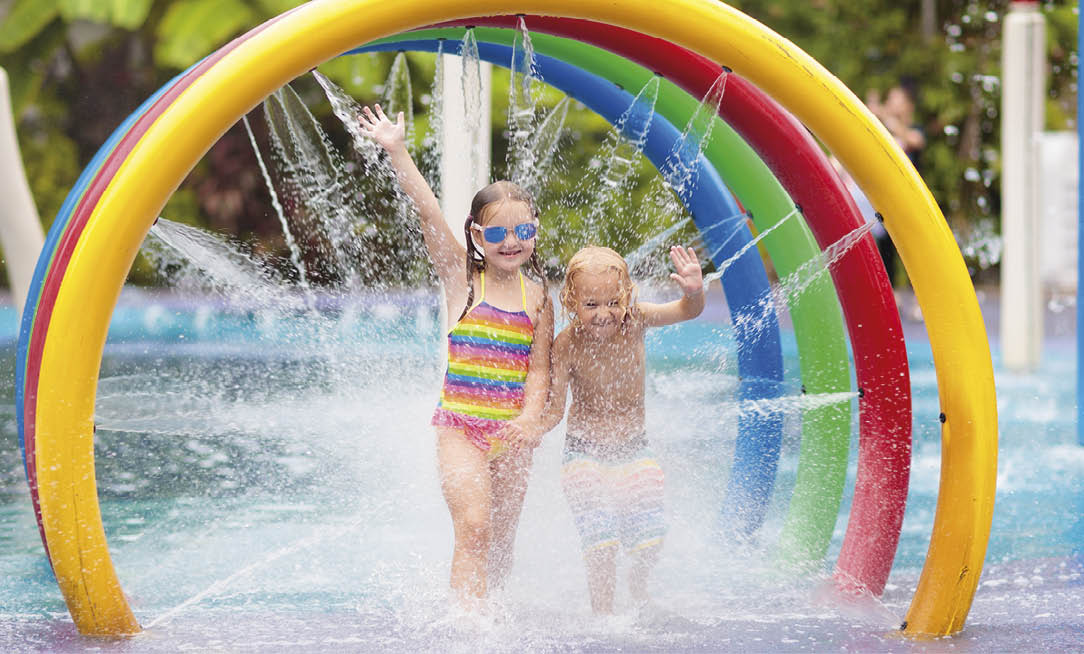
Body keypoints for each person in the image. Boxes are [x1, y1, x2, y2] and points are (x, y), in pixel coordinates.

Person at [358, 104, 554, 609]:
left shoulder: (540, 298)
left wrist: (532, 419)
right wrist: (397, 149)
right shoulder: (463, 281)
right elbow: (428, 212)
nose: (511, 243)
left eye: (523, 232)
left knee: (501, 541)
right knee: (474, 526)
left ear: (534, 230)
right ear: (476, 237)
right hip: (461, 428)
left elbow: (538, 370)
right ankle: (466, 631)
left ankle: (493, 618)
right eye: (496, 234)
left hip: (513, 436)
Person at [537, 245, 704, 614]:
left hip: (633, 448)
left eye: (613, 302)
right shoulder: (567, 344)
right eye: (591, 304)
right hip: (583, 453)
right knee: (601, 542)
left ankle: (638, 587)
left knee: (650, 537)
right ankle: (603, 614)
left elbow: (687, 311)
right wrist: (531, 431)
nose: (603, 314)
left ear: (627, 296)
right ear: (571, 301)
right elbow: (553, 411)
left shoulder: (638, 320)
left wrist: (693, 291)